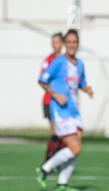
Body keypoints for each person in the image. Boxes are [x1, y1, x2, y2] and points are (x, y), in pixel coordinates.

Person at [36, 29, 94, 191]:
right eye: (68, 42)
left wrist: (87, 89)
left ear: (77, 44)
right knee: (75, 148)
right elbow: (42, 80)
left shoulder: (80, 64)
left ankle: (62, 183)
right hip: (60, 111)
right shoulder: (58, 62)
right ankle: (45, 168)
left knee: (76, 148)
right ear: (65, 44)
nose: (71, 45)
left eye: (74, 42)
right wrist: (55, 94)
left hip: (74, 111)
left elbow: (80, 83)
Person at [39, 32, 65, 163]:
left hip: (63, 104)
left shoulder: (66, 60)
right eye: (53, 42)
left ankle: (56, 161)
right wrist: (55, 93)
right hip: (50, 102)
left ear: (62, 43)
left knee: (64, 134)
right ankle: (48, 162)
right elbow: (42, 81)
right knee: (57, 133)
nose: (55, 45)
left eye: (57, 42)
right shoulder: (49, 60)